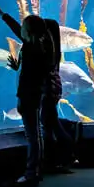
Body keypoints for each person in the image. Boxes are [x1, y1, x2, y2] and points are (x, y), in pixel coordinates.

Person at [0, 2, 53, 187]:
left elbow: (27, 78)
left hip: (28, 97)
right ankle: (37, 170)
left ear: (29, 32)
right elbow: (18, 30)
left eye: (24, 28)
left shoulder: (31, 49)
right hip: (35, 95)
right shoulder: (41, 48)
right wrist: (3, 15)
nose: (22, 31)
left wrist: (20, 99)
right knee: (36, 134)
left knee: (32, 136)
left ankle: (31, 173)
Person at [42, 18, 75, 172]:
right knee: (50, 124)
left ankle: (67, 156)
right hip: (53, 89)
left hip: (47, 90)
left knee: (51, 124)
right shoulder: (56, 48)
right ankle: (57, 159)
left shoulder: (47, 48)